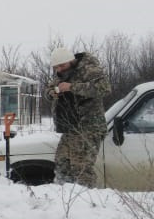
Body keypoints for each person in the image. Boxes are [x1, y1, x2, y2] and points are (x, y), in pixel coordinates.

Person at [44, 46, 110, 187]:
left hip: (89, 127)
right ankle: (64, 196)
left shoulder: (89, 69)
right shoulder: (62, 73)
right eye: (56, 67)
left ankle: (86, 201)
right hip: (70, 127)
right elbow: (49, 89)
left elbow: (104, 88)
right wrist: (51, 93)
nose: (59, 69)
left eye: (62, 65)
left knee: (81, 168)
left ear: (71, 60)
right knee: (62, 163)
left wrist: (72, 87)